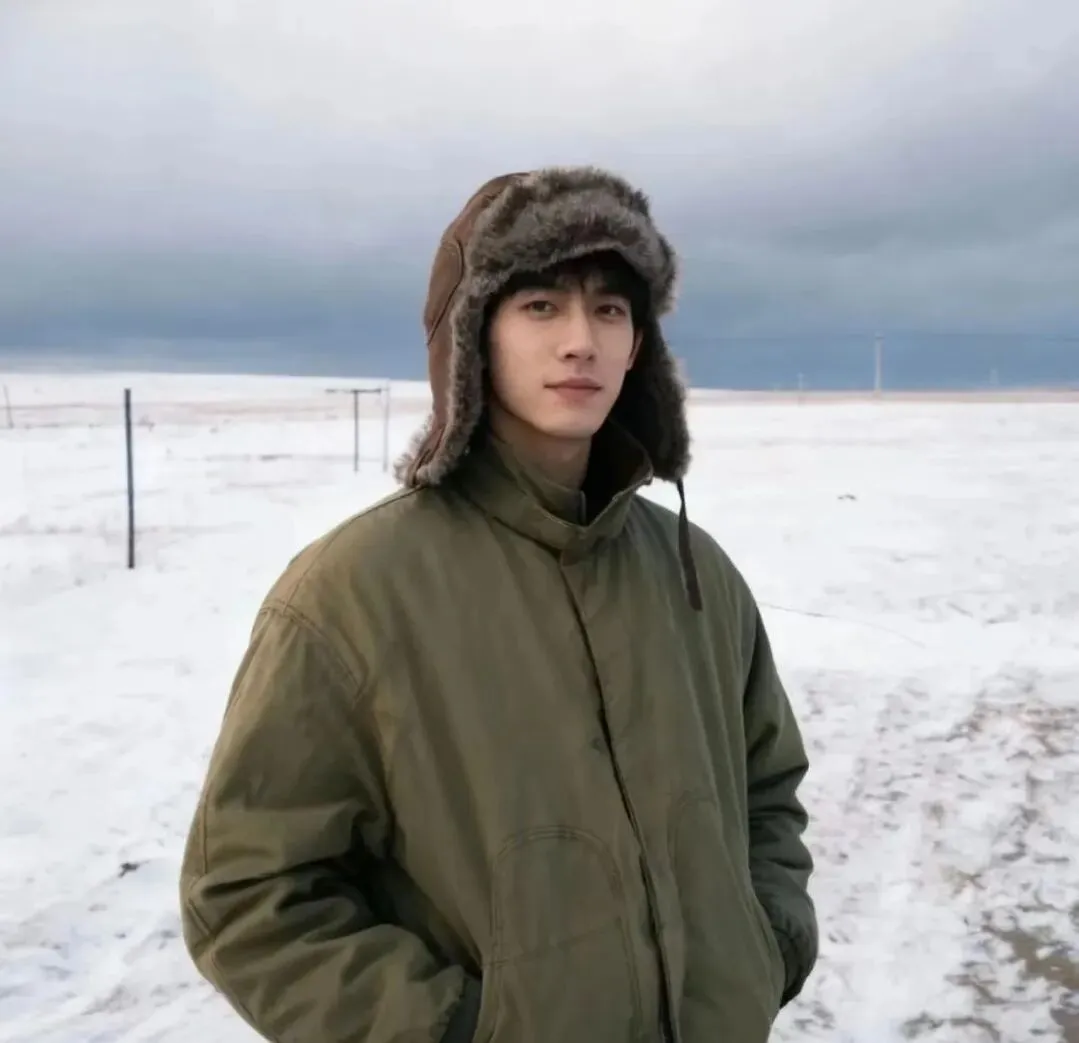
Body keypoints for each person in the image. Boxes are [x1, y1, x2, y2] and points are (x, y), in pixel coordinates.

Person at [179, 165, 818, 1043]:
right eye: (540, 305)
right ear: (474, 333)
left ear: (638, 344)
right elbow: (250, 893)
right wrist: (455, 1031)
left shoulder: (692, 571)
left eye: (609, 309)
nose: (580, 341)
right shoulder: (352, 592)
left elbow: (766, 790)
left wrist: (765, 945)